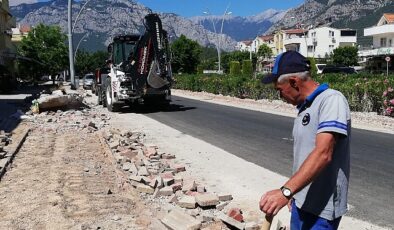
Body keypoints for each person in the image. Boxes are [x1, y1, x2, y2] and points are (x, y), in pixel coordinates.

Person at [259, 51, 351, 230]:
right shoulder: (305, 108)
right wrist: (294, 192)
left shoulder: (332, 100)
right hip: (301, 202)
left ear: (293, 82)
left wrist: (285, 191)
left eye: (279, 90)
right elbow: (304, 156)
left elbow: (323, 154)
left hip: (322, 210)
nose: (280, 96)